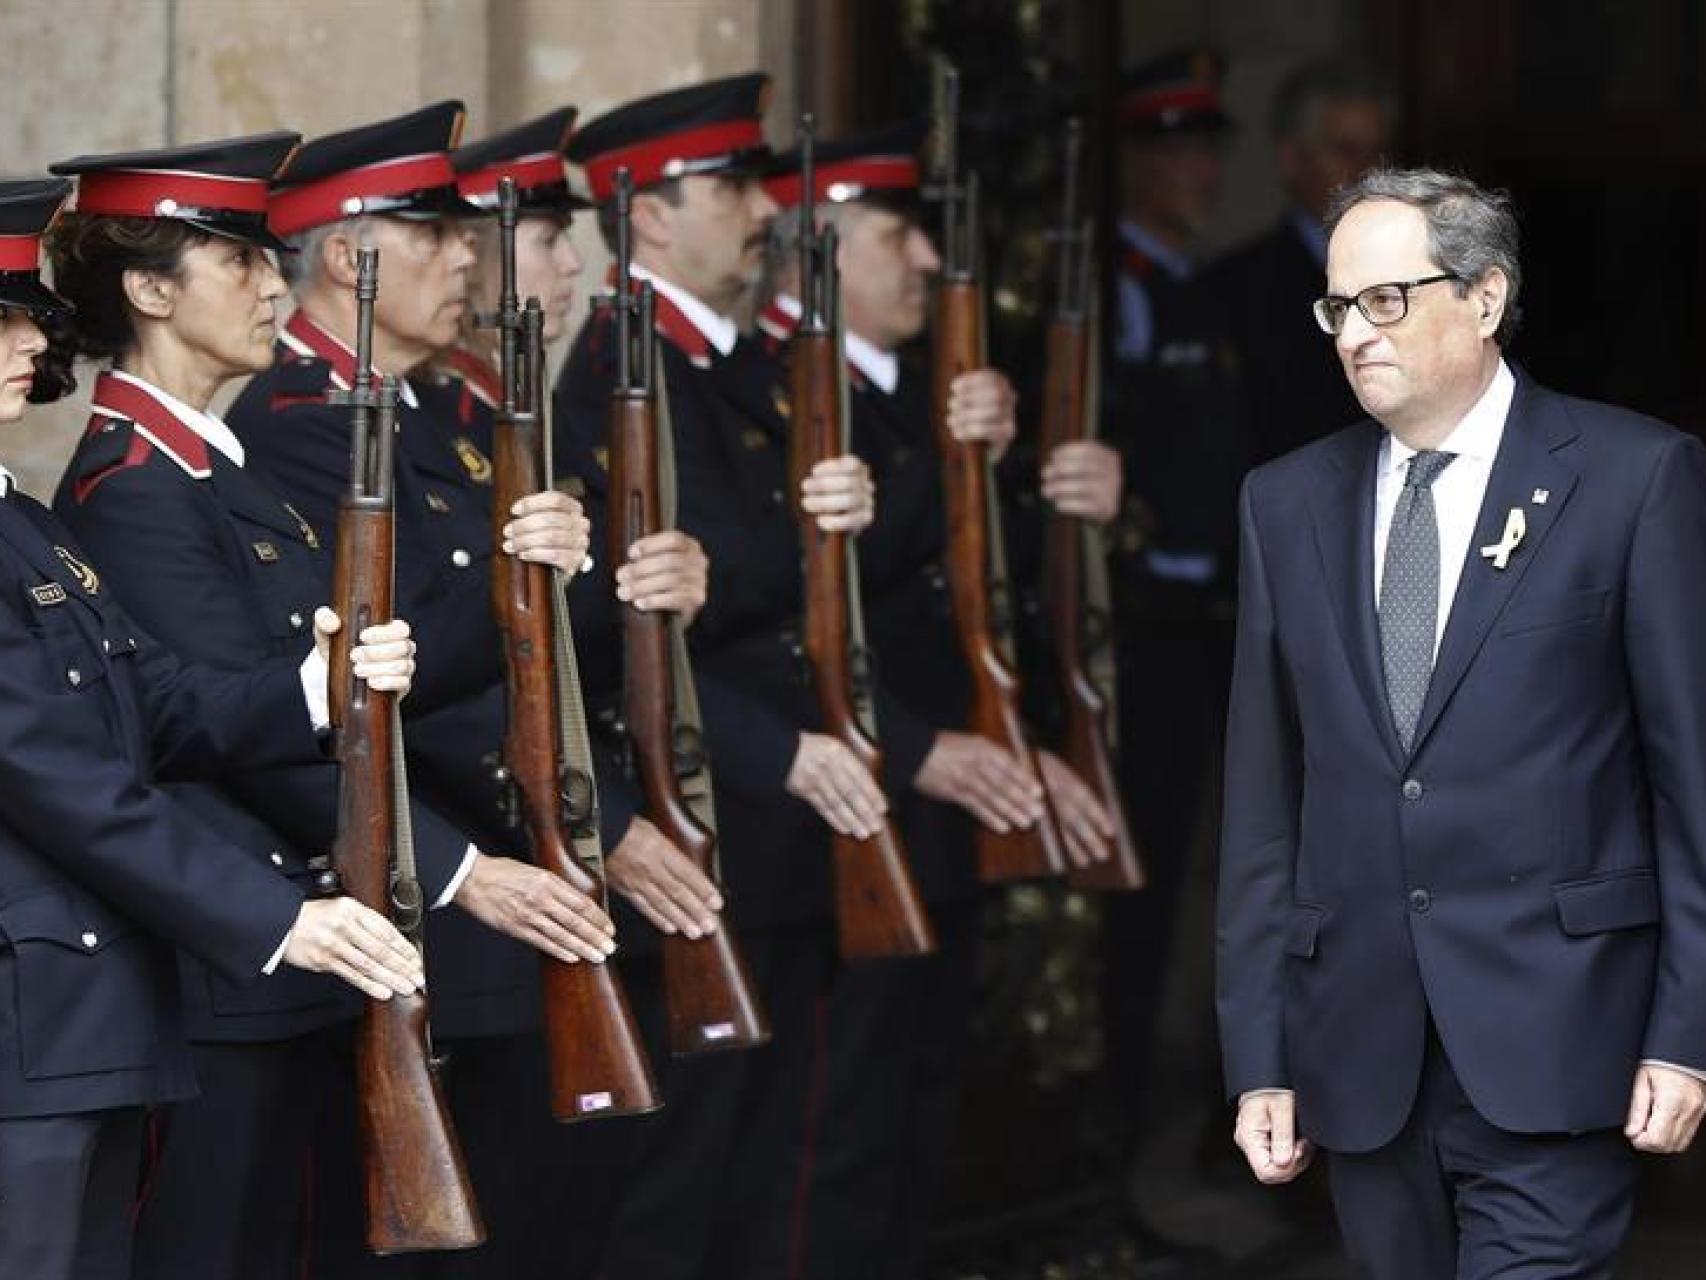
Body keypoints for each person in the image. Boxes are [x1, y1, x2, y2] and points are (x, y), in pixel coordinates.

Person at [43, 133, 618, 1279]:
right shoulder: (132, 492)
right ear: (150, 290)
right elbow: (249, 738)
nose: (273, 284)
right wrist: (463, 872)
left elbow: (360, 689)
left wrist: (523, 579)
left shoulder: (218, 471)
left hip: (303, 969)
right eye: (236, 262)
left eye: (270, 258)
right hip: (230, 977)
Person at [1218, 167, 1706, 1278]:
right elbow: (1262, 799)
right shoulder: (1282, 500)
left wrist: (1686, 1033)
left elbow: (1690, 785)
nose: (1351, 333)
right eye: (1335, 307)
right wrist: (1258, 1055)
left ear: (1483, 298)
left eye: (1385, 299)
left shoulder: (1632, 478)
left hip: (1561, 1034)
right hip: (1359, 1050)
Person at [222, 101, 632, 1279]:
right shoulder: (300, 427)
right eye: (434, 232)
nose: (467, 256)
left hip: (501, 872)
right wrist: (517, 576)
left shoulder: (438, 414)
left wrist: (600, 568)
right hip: (435, 880)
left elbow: (540, 648)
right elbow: (381, 678)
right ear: (350, 256)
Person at [0, 175, 423, 1280]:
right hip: (28, 1022)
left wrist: (319, 687)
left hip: (87, 1023)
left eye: (23, 317)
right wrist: (279, 916)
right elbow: (56, 776)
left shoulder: (25, 525)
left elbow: (157, 700)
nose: (23, 343)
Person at [754, 123, 1118, 1278]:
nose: (922, 258)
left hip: (950, 794)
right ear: (817, 247)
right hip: (849, 804)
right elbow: (800, 600)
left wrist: (1044, 479)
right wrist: (951, 461)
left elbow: (972, 593)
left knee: (917, 1105)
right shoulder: (769, 385)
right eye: (893, 231)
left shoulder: (917, 389)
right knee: (835, 1127)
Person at [553, 72, 885, 1280]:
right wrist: (808, 534)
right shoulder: (617, 369)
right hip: (710, 813)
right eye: (728, 185)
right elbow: (639, 624)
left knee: (762, 1161)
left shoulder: (741, 360)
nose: (757, 210)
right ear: (644, 212)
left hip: (775, 829)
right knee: (673, 1186)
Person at [1099, 45, 1245, 1213]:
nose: (1195, 169)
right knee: (1142, 892)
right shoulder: (1118, 288)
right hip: (1136, 630)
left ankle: (1168, 1150)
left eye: (1205, 148)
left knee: (1204, 883)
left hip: (1203, 623)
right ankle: (1113, 1155)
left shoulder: (1194, 287)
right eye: (1172, 148)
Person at [1205, 59, 1394, 465]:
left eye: (1378, 153)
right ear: (1292, 160)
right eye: (1345, 150)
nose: (1369, 173)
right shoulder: (1233, 290)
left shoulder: (1420, 278)